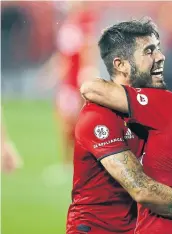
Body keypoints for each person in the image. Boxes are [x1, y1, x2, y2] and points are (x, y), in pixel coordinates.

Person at [67, 19, 172, 234]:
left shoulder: (158, 107)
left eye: (159, 49)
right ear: (121, 65)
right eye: (149, 51)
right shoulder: (98, 116)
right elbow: (141, 188)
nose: (161, 57)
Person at [41, 2, 99, 172]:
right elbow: (63, 57)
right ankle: (70, 163)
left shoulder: (80, 27)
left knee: (75, 123)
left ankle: (79, 162)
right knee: (67, 123)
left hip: (74, 84)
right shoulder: (71, 28)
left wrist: (87, 73)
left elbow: (85, 54)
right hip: (69, 84)